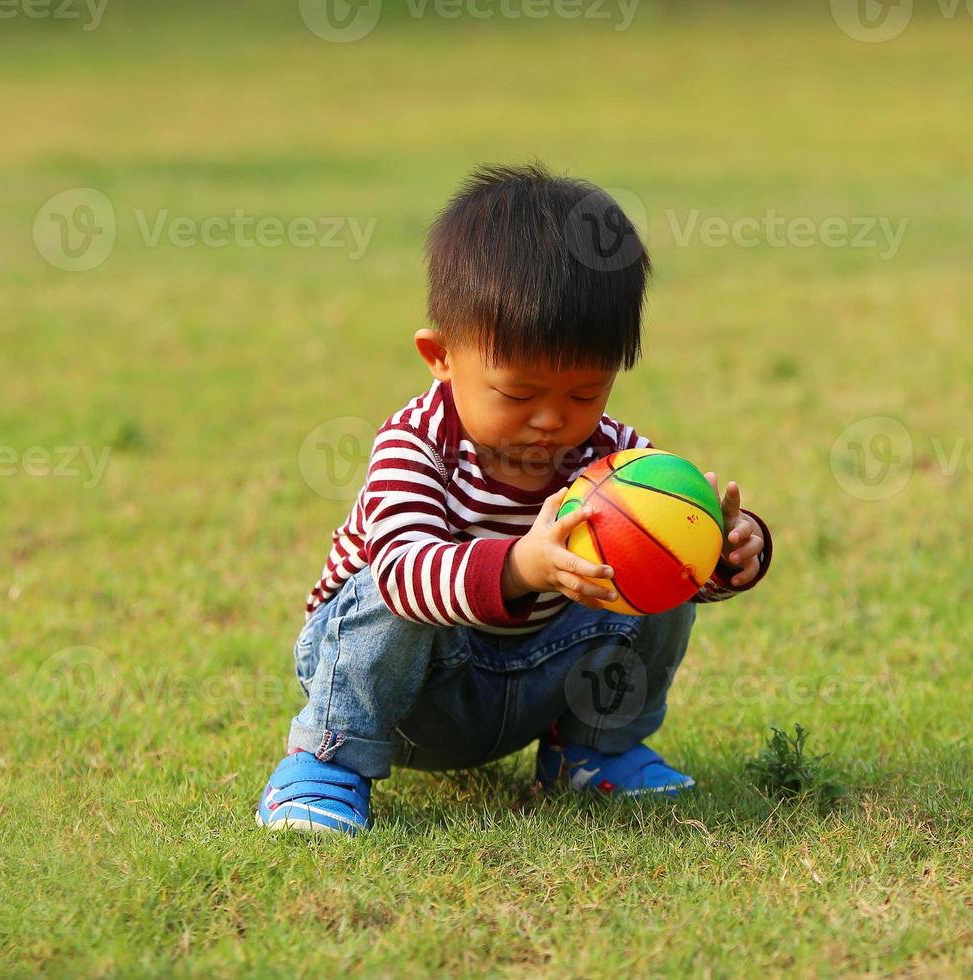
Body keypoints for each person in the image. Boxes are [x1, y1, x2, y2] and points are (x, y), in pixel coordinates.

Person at [256, 163, 773, 835]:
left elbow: (667, 581)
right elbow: (405, 578)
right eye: (519, 394)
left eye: (585, 393)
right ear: (440, 355)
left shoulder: (615, 462)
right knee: (392, 586)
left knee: (655, 545)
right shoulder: (417, 445)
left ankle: (591, 750)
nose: (553, 419)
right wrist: (523, 565)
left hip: (531, 686)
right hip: (408, 697)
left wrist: (721, 552)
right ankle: (326, 763)